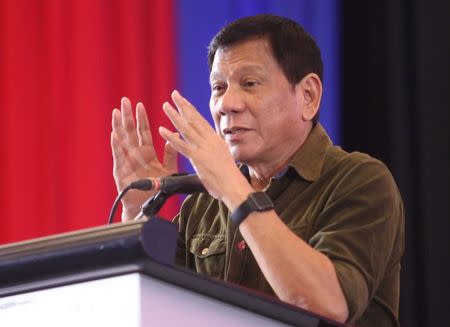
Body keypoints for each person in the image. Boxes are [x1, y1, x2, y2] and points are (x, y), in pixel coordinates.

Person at [110, 14, 404, 326]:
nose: (227, 104)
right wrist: (137, 213)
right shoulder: (204, 203)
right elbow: (156, 310)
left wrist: (235, 190)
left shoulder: (360, 180)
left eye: (250, 84)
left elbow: (326, 304)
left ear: (308, 96)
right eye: (218, 87)